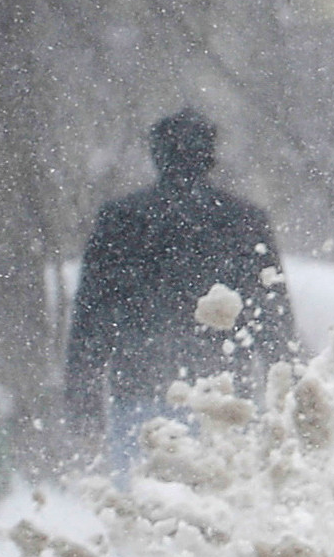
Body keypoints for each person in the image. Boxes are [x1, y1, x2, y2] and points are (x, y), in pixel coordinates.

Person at [62, 110, 288, 473]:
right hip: (225, 396)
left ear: (156, 155)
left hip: (139, 392)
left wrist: (82, 397)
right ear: (211, 156)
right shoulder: (245, 221)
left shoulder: (120, 220)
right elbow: (273, 313)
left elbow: (91, 316)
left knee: (143, 507)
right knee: (224, 505)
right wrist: (288, 391)